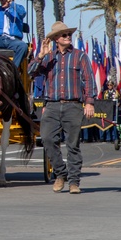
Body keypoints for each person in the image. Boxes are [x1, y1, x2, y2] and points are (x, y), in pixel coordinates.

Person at [28, 21, 96, 194]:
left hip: (73, 105)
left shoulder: (80, 56)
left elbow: (89, 79)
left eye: (69, 34)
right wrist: (40, 55)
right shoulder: (49, 57)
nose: (68, 37)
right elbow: (31, 72)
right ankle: (60, 174)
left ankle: (74, 182)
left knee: (72, 145)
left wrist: (89, 102)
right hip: (51, 105)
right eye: (64, 35)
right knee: (47, 139)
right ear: (56, 39)